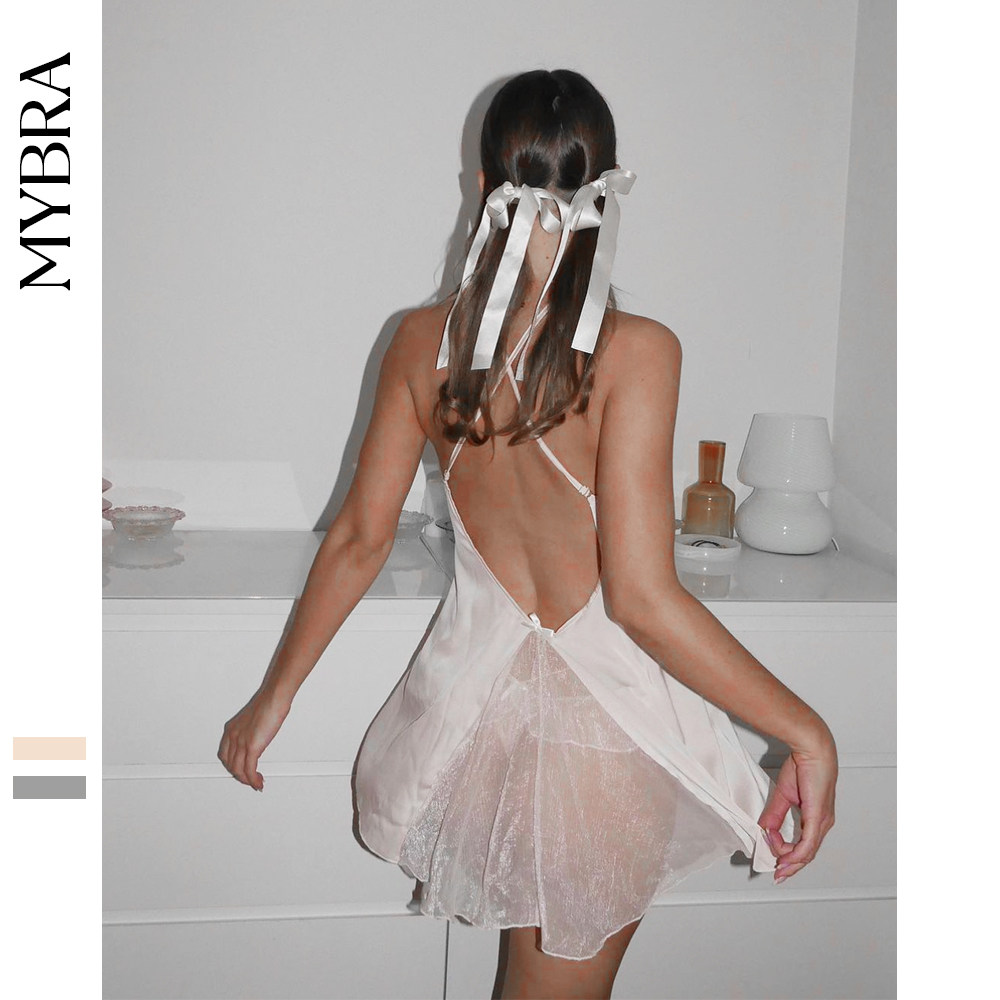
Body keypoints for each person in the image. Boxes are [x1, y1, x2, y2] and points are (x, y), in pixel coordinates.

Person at [218, 69, 837, 1000]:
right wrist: (807, 733)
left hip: (479, 724)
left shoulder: (417, 341)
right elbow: (641, 599)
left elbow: (357, 539)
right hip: (596, 744)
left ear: (482, 188)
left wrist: (274, 696)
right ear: (608, 194)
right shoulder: (639, 353)